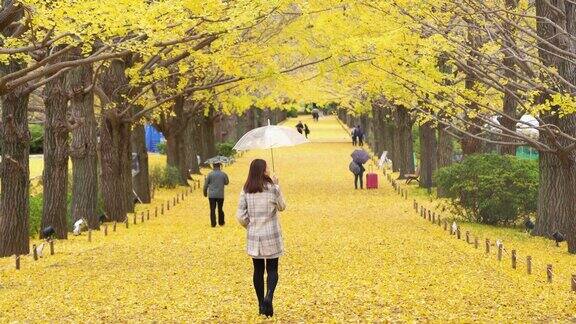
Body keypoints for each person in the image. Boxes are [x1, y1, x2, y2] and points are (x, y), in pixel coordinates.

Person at [236, 159, 286, 317]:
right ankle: (269, 296)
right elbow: (282, 206)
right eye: (267, 168)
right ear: (263, 171)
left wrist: (250, 225)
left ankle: (260, 305)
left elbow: (240, 215)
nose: (269, 170)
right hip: (271, 235)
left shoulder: (246, 190)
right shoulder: (272, 189)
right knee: (272, 269)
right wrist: (277, 186)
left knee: (258, 270)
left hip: (255, 236)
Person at [203, 163, 230, 227]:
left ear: (213, 166)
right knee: (220, 209)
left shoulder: (210, 174)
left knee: (212, 209)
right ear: (219, 166)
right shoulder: (223, 174)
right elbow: (227, 182)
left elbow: (205, 185)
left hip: (212, 195)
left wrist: (205, 193)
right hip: (220, 195)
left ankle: (213, 224)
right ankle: (221, 222)